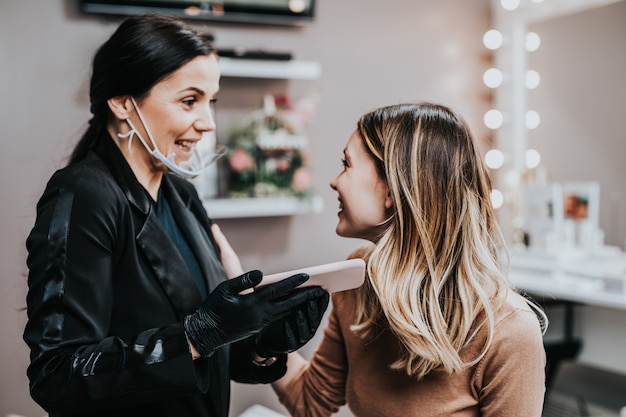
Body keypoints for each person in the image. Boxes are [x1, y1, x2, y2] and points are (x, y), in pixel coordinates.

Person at [23, 13, 329, 417]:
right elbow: (58, 375)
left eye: (210, 102)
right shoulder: (85, 194)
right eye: (190, 101)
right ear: (121, 102)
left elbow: (206, 354)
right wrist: (197, 335)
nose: (207, 123)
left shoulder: (181, 195)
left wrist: (260, 344)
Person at [267, 102, 548, 416]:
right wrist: (261, 337)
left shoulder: (508, 331)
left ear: (391, 190)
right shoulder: (357, 283)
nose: (334, 181)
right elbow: (310, 401)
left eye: (346, 164)